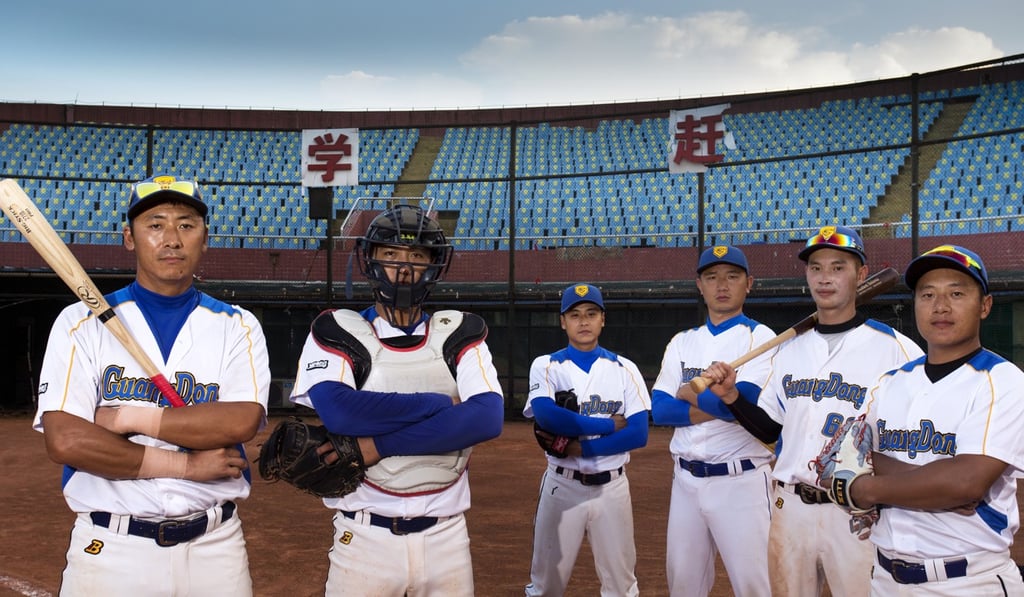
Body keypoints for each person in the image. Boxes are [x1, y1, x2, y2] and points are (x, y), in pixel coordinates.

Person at [33, 174, 271, 596]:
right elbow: (68, 441)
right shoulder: (79, 323)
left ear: (205, 238)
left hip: (215, 550)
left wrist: (126, 416)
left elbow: (240, 421)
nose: (172, 239)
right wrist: (187, 465)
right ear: (130, 237)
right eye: (155, 224)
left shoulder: (238, 325)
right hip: (112, 549)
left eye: (186, 224)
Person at [289, 203, 504, 597]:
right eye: (390, 254)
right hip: (365, 535)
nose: (404, 267)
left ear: (433, 266)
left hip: (447, 537)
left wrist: (379, 444)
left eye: (417, 256)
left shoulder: (460, 332)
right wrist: (438, 404)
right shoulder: (339, 329)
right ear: (370, 261)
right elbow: (339, 412)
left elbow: (486, 418)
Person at [701, 225, 923, 596]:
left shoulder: (896, 350)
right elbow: (771, 429)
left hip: (856, 512)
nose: (825, 277)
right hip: (791, 509)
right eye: (816, 268)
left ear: (862, 275)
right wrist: (731, 397)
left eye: (838, 267)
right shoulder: (788, 350)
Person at [839, 245, 1024, 594]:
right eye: (927, 295)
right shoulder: (888, 383)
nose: (940, 306)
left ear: (984, 306)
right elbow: (853, 456)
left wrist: (867, 488)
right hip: (884, 579)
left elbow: (965, 483)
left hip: (968, 582)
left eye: (956, 293)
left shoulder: (1004, 382)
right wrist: (938, 485)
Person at [651, 245, 776, 597]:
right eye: (712, 277)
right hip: (685, 481)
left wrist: (689, 392)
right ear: (699, 285)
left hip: (742, 481)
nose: (722, 284)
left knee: (757, 587)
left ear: (749, 283)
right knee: (683, 585)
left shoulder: (761, 338)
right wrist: (718, 402)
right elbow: (659, 410)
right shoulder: (682, 342)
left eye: (732, 276)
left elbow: (741, 404)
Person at [523, 283, 651, 596]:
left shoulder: (624, 368)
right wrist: (606, 425)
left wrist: (583, 446)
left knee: (621, 586)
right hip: (561, 486)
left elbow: (638, 433)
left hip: (612, 488)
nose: (583, 321)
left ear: (602, 319)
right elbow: (547, 416)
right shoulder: (546, 365)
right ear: (562, 321)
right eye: (575, 314)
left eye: (591, 314)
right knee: (546, 585)